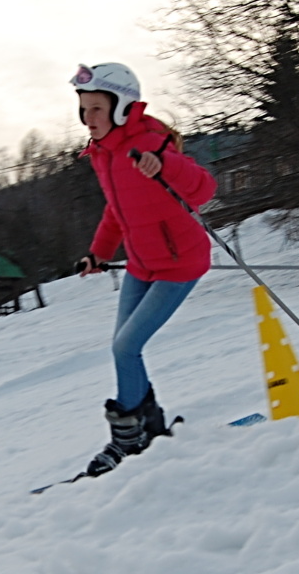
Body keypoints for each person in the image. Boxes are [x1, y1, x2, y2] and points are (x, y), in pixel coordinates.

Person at [70, 62, 217, 477]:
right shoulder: (104, 154)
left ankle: (128, 440)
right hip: (141, 264)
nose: (88, 118)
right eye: (83, 109)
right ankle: (148, 427)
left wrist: (164, 164)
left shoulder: (150, 143)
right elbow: (116, 212)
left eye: (97, 109)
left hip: (179, 263)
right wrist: (98, 253)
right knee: (123, 347)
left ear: (121, 108)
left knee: (125, 347)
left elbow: (204, 189)